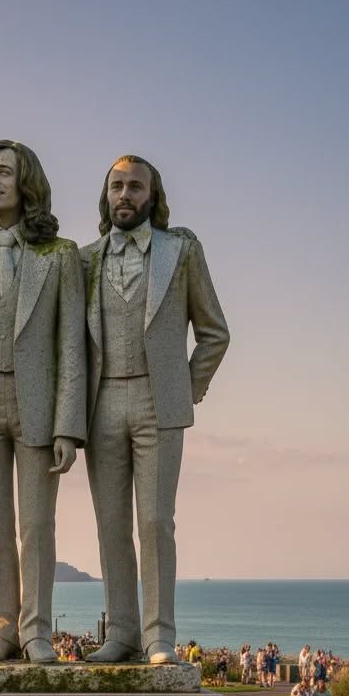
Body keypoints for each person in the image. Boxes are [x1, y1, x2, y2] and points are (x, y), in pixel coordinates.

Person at [81, 155, 228, 664]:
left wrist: (185, 390)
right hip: (99, 404)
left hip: (158, 402)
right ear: (106, 195)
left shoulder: (180, 250)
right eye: (117, 186)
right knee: (110, 524)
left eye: (135, 187)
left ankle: (159, 635)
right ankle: (121, 633)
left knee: (155, 521)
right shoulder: (84, 260)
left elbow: (214, 332)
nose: (125, 195)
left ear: (152, 195)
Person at [0, 140, 86, 663]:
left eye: (4, 172)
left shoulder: (61, 256)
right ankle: (3, 628)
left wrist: (67, 426)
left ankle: (36, 631)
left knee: (36, 524)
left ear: (26, 183)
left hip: (38, 406)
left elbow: (72, 343)